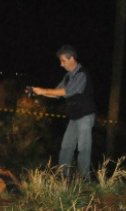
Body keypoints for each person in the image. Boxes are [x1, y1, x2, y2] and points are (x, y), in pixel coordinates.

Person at [31, 45, 96, 180]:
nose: (61, 65)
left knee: (83, 149)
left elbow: (66, 92)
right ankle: (62, 176)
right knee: (66, 147)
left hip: (85, 117)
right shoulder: (67, 77)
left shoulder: (81, 75)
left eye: (63, 61)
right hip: (74, 117)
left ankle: (85, 179)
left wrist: (43, 90)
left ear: (71, 58)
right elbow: (56, 94)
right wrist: (38, 92)